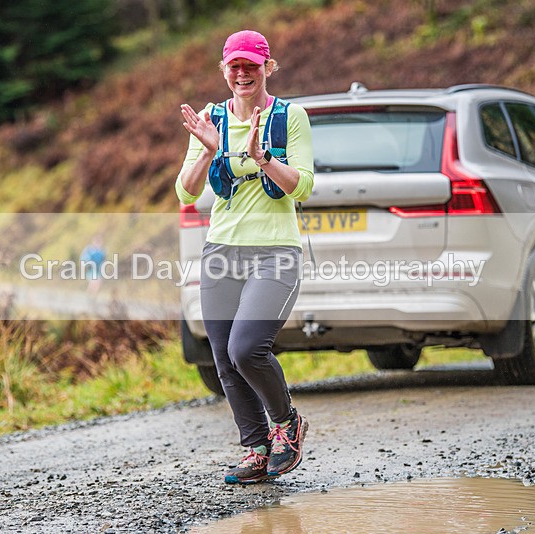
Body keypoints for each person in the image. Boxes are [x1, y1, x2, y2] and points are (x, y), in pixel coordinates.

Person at [176, 30, 314, 484]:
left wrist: (263, 156)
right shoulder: (210, 120)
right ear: (224, 70)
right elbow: (186, 190)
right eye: (234, 66)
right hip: (222, 251)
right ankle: (255, 448)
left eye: (251, 65)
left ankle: (286, 425)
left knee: (246, 348)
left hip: (276, 251)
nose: (242, 73)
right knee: (222, 356)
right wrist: (209, 151)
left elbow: (305, 186)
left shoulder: (291, 116)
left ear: (267, 67)